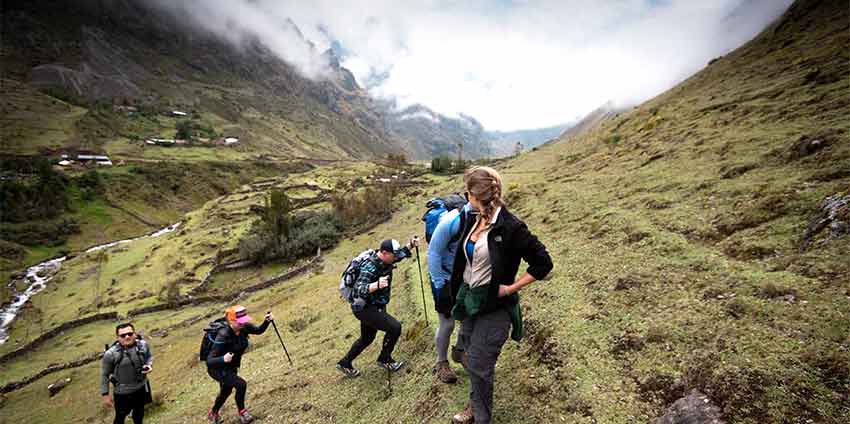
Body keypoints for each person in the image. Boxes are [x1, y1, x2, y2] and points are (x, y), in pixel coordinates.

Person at [449, 166, 553, 424]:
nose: (465, 197)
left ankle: (480, 416)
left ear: (477, 195)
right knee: (464, 354)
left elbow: (543, 263)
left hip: (495, 307)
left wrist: (510, 288)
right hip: (470, 300)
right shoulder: (475, 218)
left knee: (479, 364)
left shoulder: (511, 227)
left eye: (467, 192)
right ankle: (476, 400)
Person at [336, 237, 419, 377]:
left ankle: (345, 363)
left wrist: (410, 245)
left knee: (367, 338)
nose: (395, 258)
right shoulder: (369, 267)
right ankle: (384, 359)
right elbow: (357, 290)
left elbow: (398, 257)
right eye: (393, 255)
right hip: (365, 308)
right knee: (395, 327)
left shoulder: (385, 259)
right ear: (385, 253)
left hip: (373, 304)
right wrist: (376, 285)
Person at [427, 202, 477, 383]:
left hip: (465, 277)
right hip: (444, 278)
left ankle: (460, 351)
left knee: (469, 316)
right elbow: (433, 253)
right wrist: (441, 286)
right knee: (447, 323)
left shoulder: (485, 218)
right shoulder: (451, 221)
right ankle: (441, 363)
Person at [206, 305, 273, 424]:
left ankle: (213, 413)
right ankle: (243, 413)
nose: (243, 324)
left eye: (244, 321)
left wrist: (266, 321)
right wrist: (223, 358)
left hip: (231, 366)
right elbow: (209, 361)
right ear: (231, 321)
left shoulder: (244, 327)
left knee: (226, 391)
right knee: (241, 385)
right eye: (240, 322)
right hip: (217, 368)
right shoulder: (223, 334)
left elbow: (258, 330)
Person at [101, 323, 153, 424]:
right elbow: (105, 374)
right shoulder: (110, 354)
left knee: (139, 414)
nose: (127, 337)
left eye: (130, 334)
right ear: (118, 337)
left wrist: (149, 365)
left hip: (141, 388)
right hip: (122, 393)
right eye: (123, 335)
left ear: (134, 334)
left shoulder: (143, 345)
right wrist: (105, 395)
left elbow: (149, 357)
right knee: (120, 417)